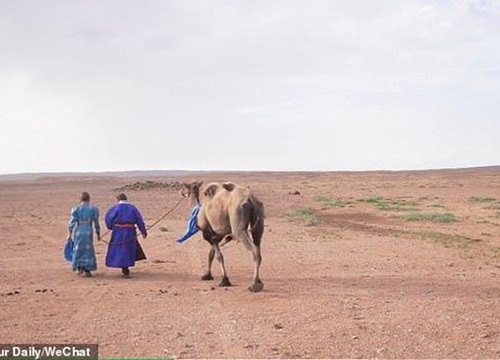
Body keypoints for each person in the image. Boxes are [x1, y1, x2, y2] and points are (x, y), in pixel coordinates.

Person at [105, 193, 147, 278]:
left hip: (118, 231)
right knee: (127, 249)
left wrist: (111, 227)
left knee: (119, 249)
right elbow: (139, 220)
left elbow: (108, 219)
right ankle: (125, 269)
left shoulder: (114, 208)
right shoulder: (133, 208)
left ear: (118, 199)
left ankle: (124, 268)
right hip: (129, 231)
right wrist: (143, 231)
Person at [67, 191, 101, 277]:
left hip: (79, 230)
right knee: (88, 249)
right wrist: (98, 233)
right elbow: (96, 223)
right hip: (88, 230)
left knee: (78, 248)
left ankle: (79, 267)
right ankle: (87, 269)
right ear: (89, 199)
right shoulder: (93, 209)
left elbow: (72, 222)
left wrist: (69, 234)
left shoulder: (76, 209)